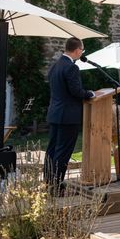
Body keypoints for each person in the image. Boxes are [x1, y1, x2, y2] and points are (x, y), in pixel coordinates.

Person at [44, 37, 95, 191]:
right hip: (68, 116)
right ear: (78, 50)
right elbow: (76, 91)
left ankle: (48, 180)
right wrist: (90, 94)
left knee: (52, 149)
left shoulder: (55, 65)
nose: (82, 53)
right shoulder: (71, 67)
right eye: (82, 50)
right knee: (63, 150)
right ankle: (56, 185)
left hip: (55, 113)